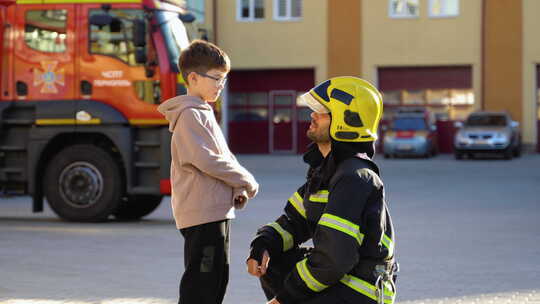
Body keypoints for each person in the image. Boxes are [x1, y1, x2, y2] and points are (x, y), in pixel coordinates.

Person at [246, 77, 397, 304]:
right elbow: (293, 221)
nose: (312, 115)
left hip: (362, 290)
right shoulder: (327, 172)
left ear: (346, 120)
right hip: (344, 276)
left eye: (321, 111)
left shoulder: (354, 177)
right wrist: (263, 244)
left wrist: (284, 298)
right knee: (275, 261)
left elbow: (334, 259)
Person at [158, 40, 259, 304]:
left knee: (216, 279)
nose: (221, 85)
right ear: (193, 77)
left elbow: (224, 156)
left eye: (224, 79)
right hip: (201, 214)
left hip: (214, 210)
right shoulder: (190, 115)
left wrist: (236, 188)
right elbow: (207, 160)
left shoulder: (204, 113)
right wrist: (245, 179)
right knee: (201, 284)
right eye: (216, 78)